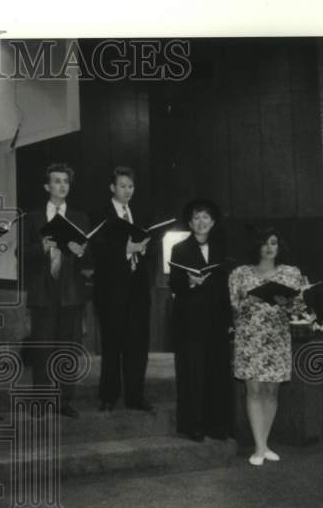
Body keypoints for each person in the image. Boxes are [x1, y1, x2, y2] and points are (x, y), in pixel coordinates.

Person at [228, 228, 308, 466]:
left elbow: (298, 309)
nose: (269, 247)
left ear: (279, 246)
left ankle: (264, 444)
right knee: (254, 391)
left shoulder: (291, 273)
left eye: (273, 242)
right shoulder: (240, 273)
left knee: (271, 392)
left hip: (277, 338)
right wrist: (250, 299)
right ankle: (259, 447)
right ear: (256, 247)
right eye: (264, 243)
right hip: (250, 338)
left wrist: (286, 302)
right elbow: (233, 306)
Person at [20, 163, 90, 418]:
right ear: (47, 186)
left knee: (67, 348)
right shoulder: (33, 217)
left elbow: (89, 256)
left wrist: (80, 251)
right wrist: (41, 247)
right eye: (57, 181)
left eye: (65, 182)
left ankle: (63, 401)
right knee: (42, 348)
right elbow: (21, 253)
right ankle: (41, 400)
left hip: (70, 291)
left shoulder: (80, 218)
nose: (62, 186)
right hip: (43, 290)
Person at [91, 166, 154, 414]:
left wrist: (145, 248)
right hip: (110, 290)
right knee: (112, 345)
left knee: (138, 345)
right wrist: (127, 249)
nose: (128, 191)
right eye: (123, 186)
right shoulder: (99, 214)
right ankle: (109, 396)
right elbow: (96, 249)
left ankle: (135, 396)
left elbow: (154, 245)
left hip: (138, 290)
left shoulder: (142, 213)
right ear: (112, 188)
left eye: (131, 186)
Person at [169, 198, 232, 441]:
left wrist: (228, 320)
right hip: (189, 320)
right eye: (196, 217)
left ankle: (217, 425)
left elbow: (226, 286)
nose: (201, 221)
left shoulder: (221, 249)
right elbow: (174, 283)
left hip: (216, 319)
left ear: (213, 221)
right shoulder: (180, 249)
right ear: (190, 222)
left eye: (206, 217)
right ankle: (192, 425)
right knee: (192, 373)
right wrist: (189, 282)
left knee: (216, 372)